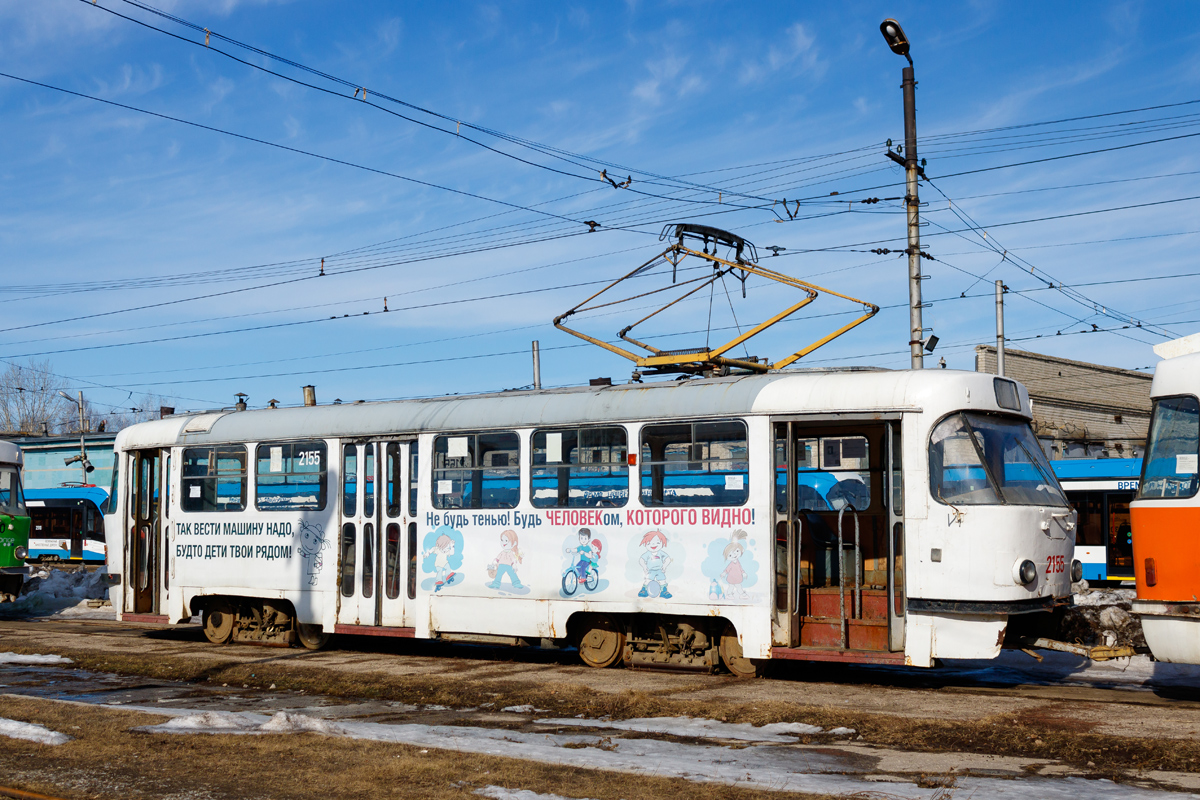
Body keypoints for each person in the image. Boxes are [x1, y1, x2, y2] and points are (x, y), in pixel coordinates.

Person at [637, 529, 673, 599]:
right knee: (648, 579)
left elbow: (667, 559)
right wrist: (644, 567)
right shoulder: (647, 554)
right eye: (649, 543)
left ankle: (663, 591)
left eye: (658, 543)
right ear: (645, 544)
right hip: (650, 570)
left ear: (662, 543)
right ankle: (644, 590)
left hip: (659, 570)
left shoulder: (661, 553)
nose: (653, 545)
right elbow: (641, 560)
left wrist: (664, 566)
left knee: (662, 579)